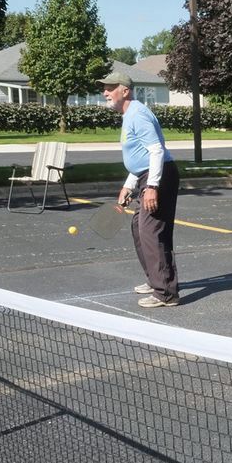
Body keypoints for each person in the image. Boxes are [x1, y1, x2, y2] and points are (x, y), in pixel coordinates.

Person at [99, 70, 181, 308]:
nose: (105, 92)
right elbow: (140, 157)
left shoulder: (138, 114)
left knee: (151, 231)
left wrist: (152, 186)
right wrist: (129, 185)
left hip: (159, 176)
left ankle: (166, 293)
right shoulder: (129, 115)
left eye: (110, 88)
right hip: (147, 175)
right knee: (139, 228)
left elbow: (156, 151)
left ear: (125, 91)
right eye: (104, 88)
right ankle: (156, 280)